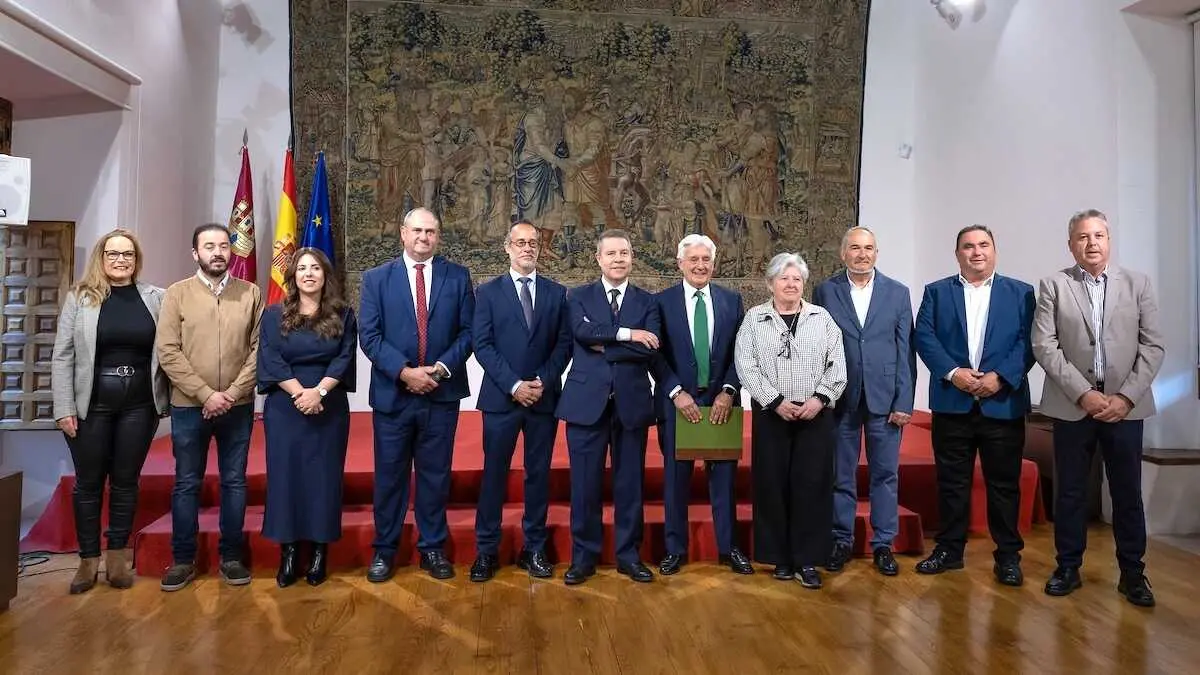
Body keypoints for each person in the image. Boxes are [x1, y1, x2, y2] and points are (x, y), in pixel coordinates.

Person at [1032, 209, 1163, 607]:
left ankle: (1133, 574)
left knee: (1127, 494)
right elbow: (1044, 345)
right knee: (1070, 492)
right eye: (1083, 237)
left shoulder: (1138, 284)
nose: (1092, 243)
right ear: (1071, 243)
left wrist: (1125, 397)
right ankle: (1067, 567)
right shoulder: (1053, 285)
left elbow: (1152, 345)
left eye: (1099, 235)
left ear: (1109, 240)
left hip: (1127, 407)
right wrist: (1083, 393)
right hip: (1074, 407)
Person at [913, 225, 1035, 586]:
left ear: (995, 250)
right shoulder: (937, 292)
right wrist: (953, 373)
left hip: (1003, 403)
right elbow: (924, 336)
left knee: (1004, 484)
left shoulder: (1021, 293)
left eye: (983, 245)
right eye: (968, 246)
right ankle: (949, 551)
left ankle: (1008, 557)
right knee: (952, 482)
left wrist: (1000, 376)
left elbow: (1030, 341)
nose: (976, 252)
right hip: (954, 403)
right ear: (957, 254)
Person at [51, 229, 169, 594]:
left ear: (137, 259)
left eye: (128, 254)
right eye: (114, 253)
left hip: (139, 403)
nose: (121, 260)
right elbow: (62, 355)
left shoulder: (156, 298)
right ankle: (88, 561)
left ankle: (117, 557)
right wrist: (63, 407)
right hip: (91, 403)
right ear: (101, 258)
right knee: (88, 483)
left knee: (126, 481)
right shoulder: (80, 297)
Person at [359, 207, 474, 581]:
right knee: (390, 476)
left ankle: (432, 548)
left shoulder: (458, 277)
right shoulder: (376, 279)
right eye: (418, 231)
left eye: (432, 232)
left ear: (438, 237)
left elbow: (469, 333)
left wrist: (439, 371)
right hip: (395, 395)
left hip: (441, 395)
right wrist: (406, 373)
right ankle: (384, 550)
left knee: (435, 476)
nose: (425, 238)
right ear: (403, 233)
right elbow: (370, 336)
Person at [156, 224, 263, 591]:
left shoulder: (250, 293)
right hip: (189, 406)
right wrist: (205, 394)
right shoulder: (177, 294)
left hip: (238, 405)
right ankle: (183, 560)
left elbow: (259, 350)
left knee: (234, 482)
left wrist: (231, 393)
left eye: (223, 246)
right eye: (209, 246)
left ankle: (231, 557)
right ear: (195, 253)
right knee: (187, 483)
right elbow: (168, 351)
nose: (217, 252)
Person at [734, 252, 846, 589]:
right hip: (772, 414)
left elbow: (837, 364)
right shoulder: (755, 319)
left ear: (804, 284)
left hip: (815, 415)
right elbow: (746, 363)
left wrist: (820, 399)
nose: (791, 284)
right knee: (772, 485)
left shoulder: (821, 318)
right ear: (770, 283)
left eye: (797, 278)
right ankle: (779, 557)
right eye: (784, 278)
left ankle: (806, 560)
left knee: (811, 486)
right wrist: (775, 401)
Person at [556, 229, 661, 585]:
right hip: (586, 405)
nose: (619, 259)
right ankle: (583, 558)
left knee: (629, 485)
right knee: (584, 485)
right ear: (598, 259)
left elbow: (651, 350)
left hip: (631, 405)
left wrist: (606, 343)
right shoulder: (578, 297)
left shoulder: (648, 302)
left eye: (625, 253)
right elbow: (582, 335)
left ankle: (629, 556)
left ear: (632, 258)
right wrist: (628, 335)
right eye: (612, 253)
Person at [469, 221, 571, 582]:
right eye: (520, 242)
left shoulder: (557, 294)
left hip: (543, 400)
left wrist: (541, 380)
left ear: (539, 249)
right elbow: (482, 344)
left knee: (538, 477)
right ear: (507, 248)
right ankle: (486, 551)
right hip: (502, 398)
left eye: (533, 243)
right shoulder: (487, 293)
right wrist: (514, 384)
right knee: (494, 476)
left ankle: (534, 548)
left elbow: (563, 344)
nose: (527, 248)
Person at [812, 227, 915, 577]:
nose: (862, 254)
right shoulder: (826, 291)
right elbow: (817, 348)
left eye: (868, 248)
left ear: (876, 253)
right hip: (840, 399)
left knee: (885, 475)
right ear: (843, 254)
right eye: (855, 248)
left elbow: (905, 352)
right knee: (841, 475)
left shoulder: (898, 294)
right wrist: (819, 395)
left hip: (885, 401)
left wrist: (904, 401)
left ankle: (883, 544)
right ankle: (841, 539)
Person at [653, 234, 753, 576]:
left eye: (705, 260)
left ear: (714, 262)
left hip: (720, 404)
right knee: (675, 481)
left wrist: (728, 390)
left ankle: (729, 549)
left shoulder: (731, 300)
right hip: (676, 405)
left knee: (724, 481)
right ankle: (674, 550)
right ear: (680, 263)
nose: (699, 265)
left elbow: (741, 352)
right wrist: (675, 392)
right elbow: (656, 355)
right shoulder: (661, 302)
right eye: (692, 259)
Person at [257, 248, 357, 588]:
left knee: (324, 480)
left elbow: (344, 358)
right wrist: (301, 393)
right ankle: (287, 553)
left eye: (315, 268)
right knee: (286, 479)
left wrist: (320, 393)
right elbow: (270, 358)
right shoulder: (272, 315)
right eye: (302, 268)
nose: (309, 273)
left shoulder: (343, 315)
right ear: (293, 276)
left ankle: (318, 552)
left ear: (325, 275)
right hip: (287, 407)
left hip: (328, 406)